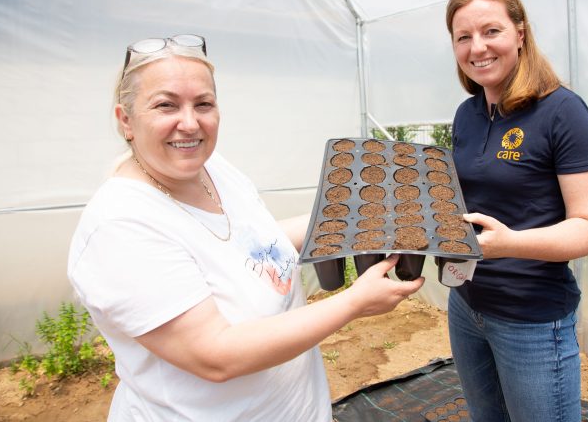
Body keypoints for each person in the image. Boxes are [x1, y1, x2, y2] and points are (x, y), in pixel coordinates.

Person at [67, 34, 424, 421]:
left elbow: (254, 245)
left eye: (203, 104)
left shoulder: (212, 169)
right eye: (166, 105)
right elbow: (216, 355)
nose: (190, 123)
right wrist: (353, 303)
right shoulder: (121, 227)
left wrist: (353, 219)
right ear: (126, 120)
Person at [444, 0, 588, 421]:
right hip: (466, 303)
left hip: (532, 319)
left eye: (491, 31)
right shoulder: (468, 113)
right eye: (463, 37)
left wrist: (510, 244)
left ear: (520, 32)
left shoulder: (561, 111)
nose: (477, 47)